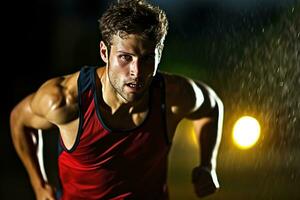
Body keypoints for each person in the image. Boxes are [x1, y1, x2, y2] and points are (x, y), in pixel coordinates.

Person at [10, 0, 223, 199]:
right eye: (125, 57)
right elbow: (19, 119)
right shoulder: (65, 99)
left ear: (159, 54)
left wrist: (207, 164)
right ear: (105, 52)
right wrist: (39, 184)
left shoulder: (173, 95)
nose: (136, 72)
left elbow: (212, 107)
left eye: (147, 58)